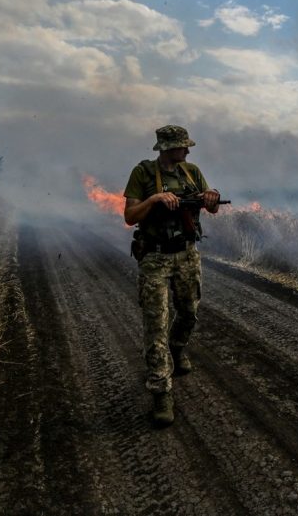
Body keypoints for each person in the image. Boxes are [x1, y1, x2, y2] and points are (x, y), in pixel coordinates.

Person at [123, 125, 221, 427]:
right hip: (155, 257)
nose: (188, 152)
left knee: (189, 313)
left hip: (187, 254)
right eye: (182, 147)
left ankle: (178, 348)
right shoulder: (142, 173)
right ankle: (161, 393)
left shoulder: (191, 172)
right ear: (167, 148)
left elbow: (212, 207)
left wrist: (211, 198)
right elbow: (130, 216)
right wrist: (154, 200)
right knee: (156, 325)